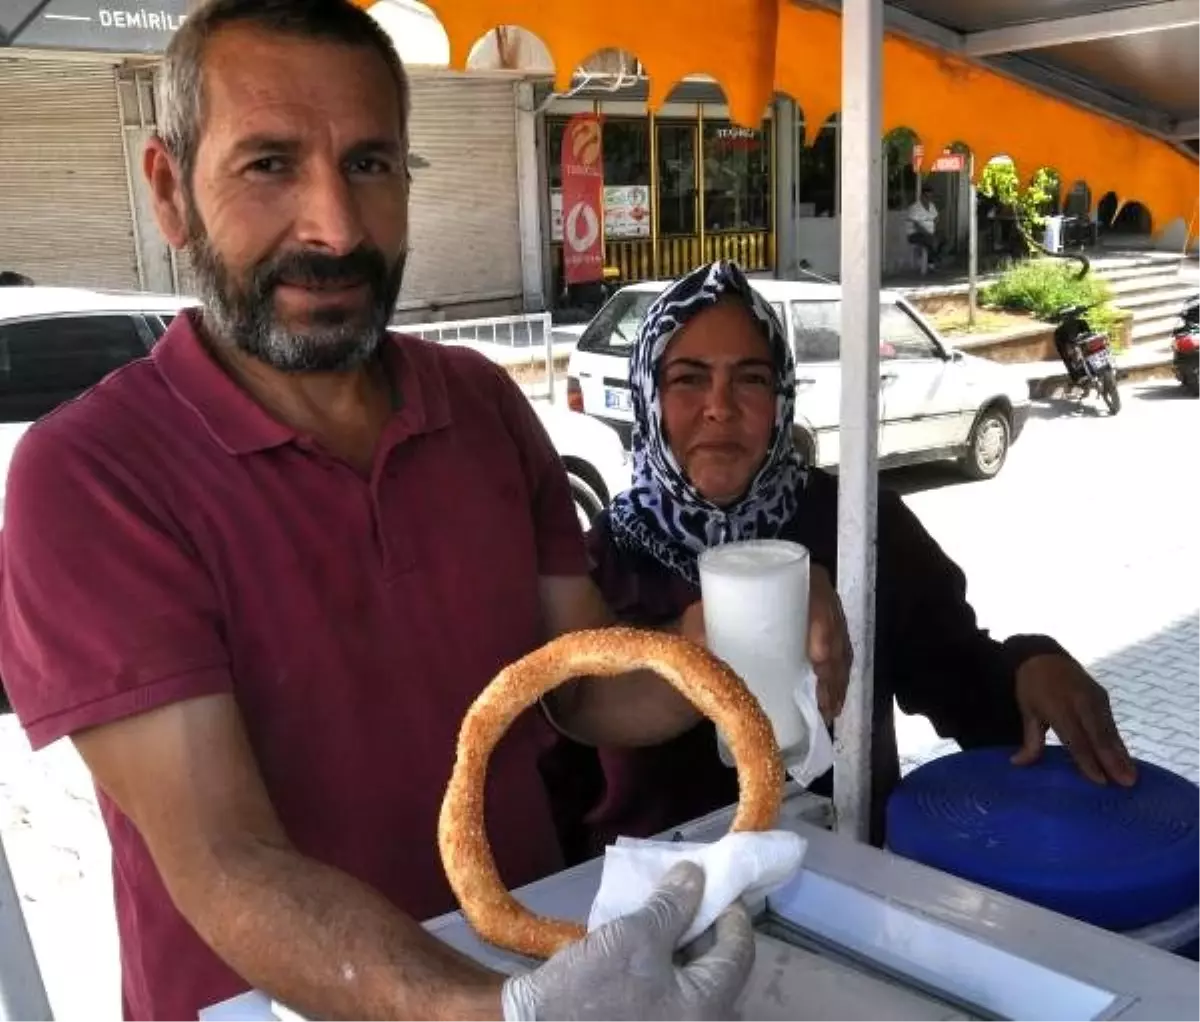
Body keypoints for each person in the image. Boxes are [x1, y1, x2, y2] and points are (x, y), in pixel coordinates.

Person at [0, 4, 752, 1021]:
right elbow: (227, 856)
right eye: (268, 164)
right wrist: (492, 1011)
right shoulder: (89, 476)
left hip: (530, 961)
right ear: (171, 190)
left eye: (369, 165)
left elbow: (573, 686)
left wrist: (708, 656)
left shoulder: (481, 402)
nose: (336, 228)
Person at [546, 260, 1136, 859]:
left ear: (781, 397)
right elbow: (555, 775)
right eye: (688, 379)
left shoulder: (857, 527)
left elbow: (958, 673)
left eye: (750, 379)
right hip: (653, 920)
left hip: (841, 902)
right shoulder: (594, 570)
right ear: (648, 394)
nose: (719, 407)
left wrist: (1028, 669)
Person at [907, 187, 943, 267]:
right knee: (931, 240)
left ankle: (933, 259)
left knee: (942, 238)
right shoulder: (915, 207)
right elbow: (916, 226)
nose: (929, 199)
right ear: (922, 196)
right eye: (927, 197)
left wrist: (935, 222)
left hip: (930, 232)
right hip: (915, 234)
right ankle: (932, 262)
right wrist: (928, 233)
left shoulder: (931, 206)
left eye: (931, 197)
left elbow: (936, 217)